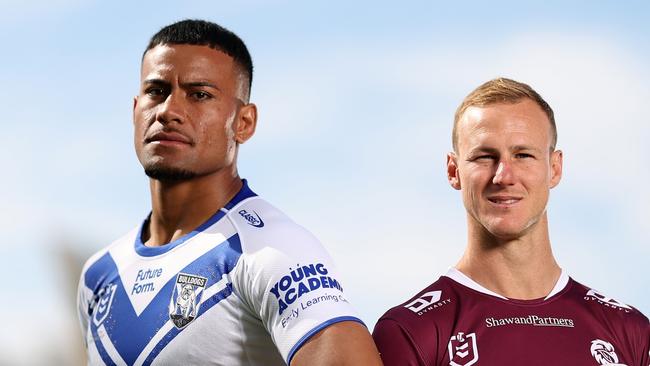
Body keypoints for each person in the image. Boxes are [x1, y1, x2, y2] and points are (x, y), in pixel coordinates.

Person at [77, 19, 381, 366]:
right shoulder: (99, 274)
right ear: (135, 110)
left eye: (199, 94)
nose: (168, 111)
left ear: (244, 123)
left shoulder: (272, 250)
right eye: (156, 91)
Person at [372, 78, 649, 365]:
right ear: (454, 171)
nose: (504, 176)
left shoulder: (628, 329)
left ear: (554, 168)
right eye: (484, 157)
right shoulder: (411, 331)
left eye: (523, 155)